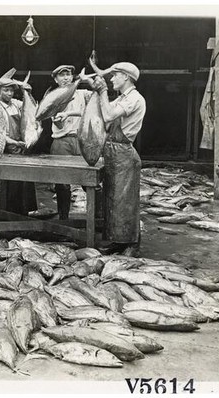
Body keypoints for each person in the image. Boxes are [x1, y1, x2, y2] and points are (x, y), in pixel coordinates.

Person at [91, 62, 146, 256]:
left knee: (126, 201)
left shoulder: (134, 98)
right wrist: (97, 93)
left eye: (115, 76)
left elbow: (107, 115)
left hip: (124, 154)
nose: (112, 79)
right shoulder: (122, 98)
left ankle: (131, 243)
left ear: (125, 77)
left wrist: (103, 90)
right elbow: (100, 109)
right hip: (112, 152)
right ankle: (118, 240)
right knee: (113, 199)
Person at [49, 65, 92, 220]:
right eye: (62, 75)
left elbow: (97, 102)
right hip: (62, 142)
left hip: (82, 140)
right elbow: (57, 124)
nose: (66, 77)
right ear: (55, 79)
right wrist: (60, 119)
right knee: (62, 183)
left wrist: (86, 79)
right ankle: (63, 218)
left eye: (68, 74)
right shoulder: (53, 97)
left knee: (89, 179)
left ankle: (97, 217)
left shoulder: (82, 94)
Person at [0, 77, 38, 216]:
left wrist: (27, 91)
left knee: (25, 181)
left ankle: (27, 213)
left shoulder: (16, 104)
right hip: (8, 149)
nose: (9, 93)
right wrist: (13, 142)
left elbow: (31, 109)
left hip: (22, 148)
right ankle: (9, 215)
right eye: (6, 90)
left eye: (12, 90)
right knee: (11, 184)